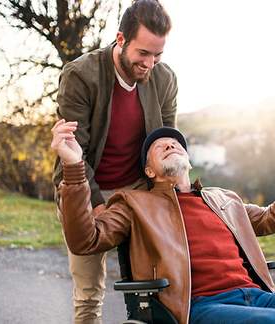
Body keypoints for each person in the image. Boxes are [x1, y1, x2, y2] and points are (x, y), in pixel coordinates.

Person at [51, 123, 275, 324]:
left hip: (256, 295)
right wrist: (73, 167)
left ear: (188, 160)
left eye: (176, 143)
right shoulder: (135, 204)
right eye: (159, 146)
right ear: (149, 171)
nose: (170, 144)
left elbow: (274, 216)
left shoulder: (223, 198)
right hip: (197, 305)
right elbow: (85, 241)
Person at [51, 1, 177, 322]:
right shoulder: (81, 75)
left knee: (160, 287)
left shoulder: (165, 79)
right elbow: (74, 152)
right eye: (143, 53)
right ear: (121, 39)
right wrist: (94, 203)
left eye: (158, 55)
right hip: (85, 186)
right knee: (89, 295)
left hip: (138, 188)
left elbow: (167, 142)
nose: (150, 64)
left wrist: (172, 196)